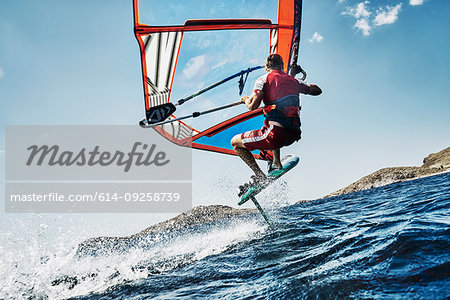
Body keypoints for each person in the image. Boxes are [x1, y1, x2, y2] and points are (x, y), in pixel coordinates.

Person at [231, 54, 322, 193]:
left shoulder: (263, 79)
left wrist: (245, 99)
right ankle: (276, 162)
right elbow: (317, 90)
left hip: (276, 137)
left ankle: (260, 176)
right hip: (293, 135)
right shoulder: (293, 81)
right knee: (272, 120)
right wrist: (295, 81)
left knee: (234, 142)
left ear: (267, 67)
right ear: (282, 66)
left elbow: (252, 106)